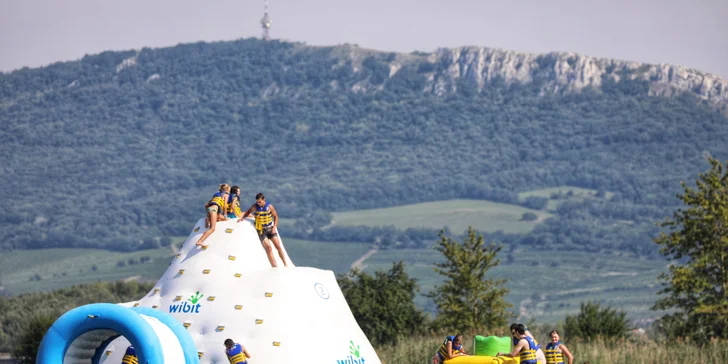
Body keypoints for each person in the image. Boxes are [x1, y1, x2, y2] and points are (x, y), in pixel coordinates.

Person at [238, 192, 288, 267]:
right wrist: (243, 217)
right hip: (261, 230)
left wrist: (274, 227)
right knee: (269, 248)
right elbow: (248, 211)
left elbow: (276, 217)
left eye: (260, 202)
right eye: (257, 202)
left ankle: (285, 264)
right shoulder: (254, 207)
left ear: (263, 200)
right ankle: (275, 266)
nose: (258, 203)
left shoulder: (270, 207)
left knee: (278, 246)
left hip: (270, 229)